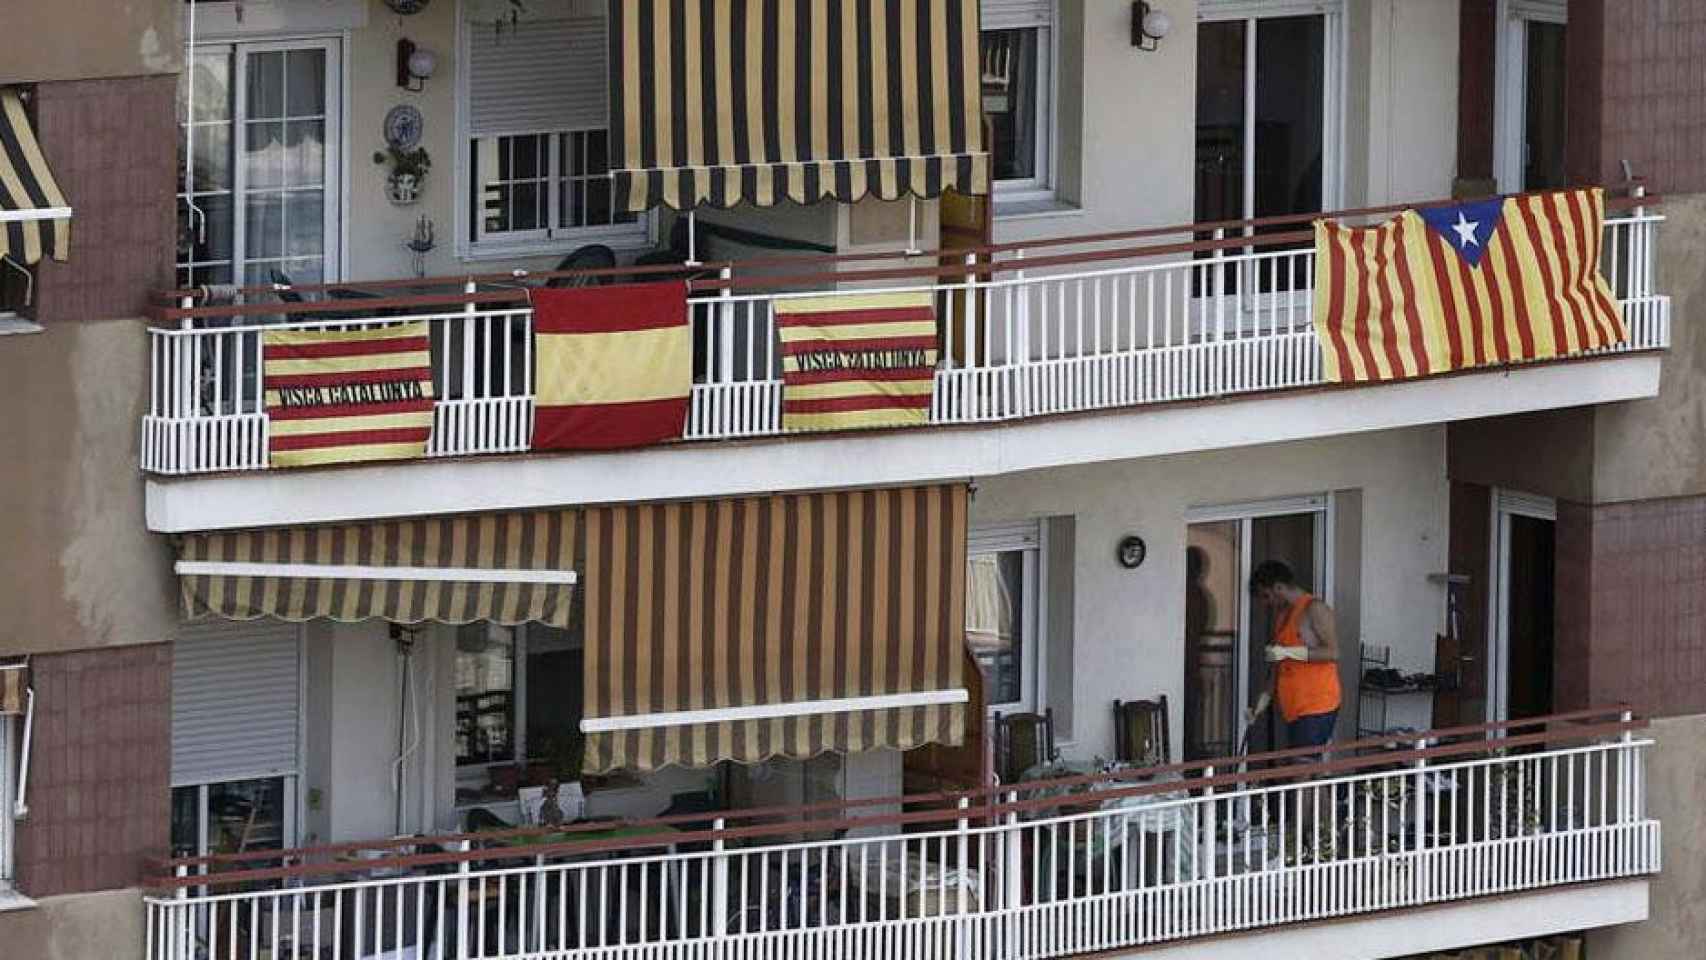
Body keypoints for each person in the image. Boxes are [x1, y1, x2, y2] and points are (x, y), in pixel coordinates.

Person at [1244, 561, 1341, 755]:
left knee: (1301, 770)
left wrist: (1288, 652)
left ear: (1279, 587)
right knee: (1307, 770)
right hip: (1293, 707)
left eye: (1266, 595)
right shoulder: (1282, 615)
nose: (1266, 603)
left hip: (1316, 705)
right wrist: (1261, 703)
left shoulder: (1314, 608)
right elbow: (1278, 666)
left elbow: (1333, 652)